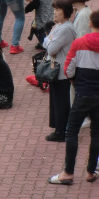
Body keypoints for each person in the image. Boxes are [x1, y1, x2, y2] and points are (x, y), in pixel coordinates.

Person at [48, 10, 99, 185]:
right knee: (97, 133)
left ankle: (68, 172)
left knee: (71, 131)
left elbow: (68, 69)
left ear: (91, 24)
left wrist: (74, 82)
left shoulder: (79, 43)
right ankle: (91, 171)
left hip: (82, 92)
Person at [42, 0, 76, 142]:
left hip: (61, 70)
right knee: (57, 100)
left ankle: (61, 131)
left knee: (61, 102)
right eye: (54, 9)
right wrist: (50, 39)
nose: (54, 13)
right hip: (57, 69)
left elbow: (50, 47)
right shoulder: (59, 26)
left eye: (57, 10)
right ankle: (59, 129)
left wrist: (49, 39)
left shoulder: (64, 28)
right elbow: (47, 44)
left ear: (65, 12)